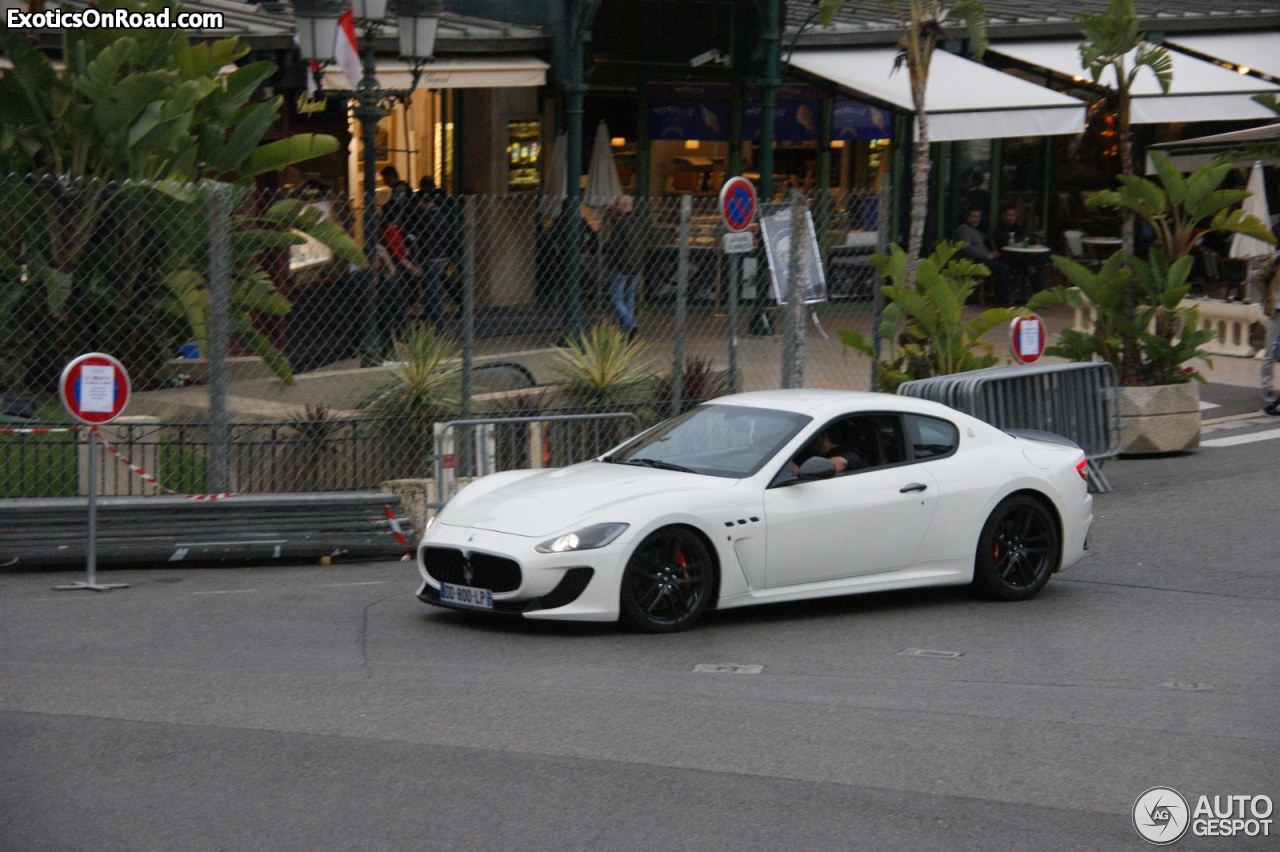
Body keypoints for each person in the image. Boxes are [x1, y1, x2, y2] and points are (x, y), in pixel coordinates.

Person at [404, 186, 453, 335]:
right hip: (441, 256)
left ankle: (438, 326)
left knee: (432, 293)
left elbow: (421, 239)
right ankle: (433, 322)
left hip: (430, 257)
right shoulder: (442, 215)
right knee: (433, 291)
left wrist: (418, 259)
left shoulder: (425, 217)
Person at [603, 194, 646, 338]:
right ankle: (625, 331)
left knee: (616, 298)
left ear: (621, 206)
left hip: (620, 265)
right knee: (629, 297)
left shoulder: (619, 223)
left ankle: (630, 324)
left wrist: (610, 260)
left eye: (617, 205)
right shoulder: (639, 222)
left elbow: (614, 246)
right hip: (636, 265)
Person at [956, 205, 1012, 305]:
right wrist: (986, 255)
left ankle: (998, 296)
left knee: (1007, 264)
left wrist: (991, 253)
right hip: (973, 261)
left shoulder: (976, 231)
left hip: (983, 258)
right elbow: (967, 248)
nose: (976, 219)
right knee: (1002, 268)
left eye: (978, 217)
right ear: (967, 217)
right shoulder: (963, 230)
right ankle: (1003, 300)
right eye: (973, 216)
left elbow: (981, 247)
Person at [992, 204, 1049, 297]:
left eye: (1013, 215)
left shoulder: (1019, 228)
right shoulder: (999, 230)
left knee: (1039, 260)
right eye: (1008, 215)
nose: (1011, 218)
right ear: (1003, 216)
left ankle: (1038, 294)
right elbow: (1005, 242)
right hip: (1008, 258)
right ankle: (1040, 296)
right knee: (1033, 267)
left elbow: (1026, 239)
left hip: (1022, 258)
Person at [791, 427, 867, 476]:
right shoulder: (811, 451)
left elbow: (841, 462)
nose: (814, 440)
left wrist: (800, 473)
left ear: (833, 439)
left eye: (819, 437)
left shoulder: (851, 454)